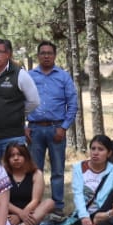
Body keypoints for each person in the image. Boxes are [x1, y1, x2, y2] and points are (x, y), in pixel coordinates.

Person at [26, 40, 79, 214]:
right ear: (38, 55)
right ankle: (34, 206)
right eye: (43, 53)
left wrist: (64, 127)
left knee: (57, 171)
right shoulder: (29, 76)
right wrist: (23, 126)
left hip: (56, 129)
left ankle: (57, 207)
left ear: (55, 55)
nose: (46, 56)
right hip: (34, 130)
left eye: (49, 53)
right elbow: (19, 102)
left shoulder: (63, 76)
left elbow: (72, 103)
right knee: (34, 170)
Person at [38, 135, 113, 225]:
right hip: (83, 213)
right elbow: (78, 194)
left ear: (109, 153)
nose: (95, 153)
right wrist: (84, 216)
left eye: (101, 149)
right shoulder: (79, 168)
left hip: (103, 215)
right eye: (93, 148)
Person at [2, 141, 54, 225]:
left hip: (30, 213)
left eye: (19, 155)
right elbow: (3, 201)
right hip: (8, 213)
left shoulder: (36, 174)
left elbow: (35, 200)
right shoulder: (3, 175)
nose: (16, 158)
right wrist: (19, 214)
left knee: (50, 203)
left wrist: (21, 215)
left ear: (26, 157)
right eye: (12, 155)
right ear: (7, 159)